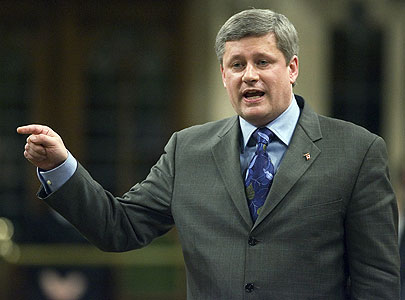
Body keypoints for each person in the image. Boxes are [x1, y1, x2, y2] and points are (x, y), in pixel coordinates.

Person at [17, 8, 399, 299]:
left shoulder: (357, 150)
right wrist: (61, 166)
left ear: (292, 68)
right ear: (223, 74)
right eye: (237, 65)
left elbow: (378, 279)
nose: (249, 75)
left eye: (262, 61)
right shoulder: (188, 150)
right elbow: (120, 227)